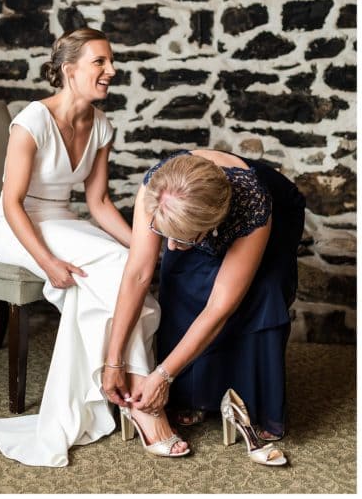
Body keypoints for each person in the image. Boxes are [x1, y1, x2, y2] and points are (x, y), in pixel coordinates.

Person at [0, 27, 188, 467]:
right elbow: (12, 204)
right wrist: (48, 262)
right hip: (19, 228)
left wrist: (146, 247)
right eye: (101, 62)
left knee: (116, 274)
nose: (111, 71)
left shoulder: (102, 126)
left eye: (110, 62)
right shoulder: (31, 121)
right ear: (68, 69)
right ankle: (142, 405)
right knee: (118, 269)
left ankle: (127, 396)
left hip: (64, 222)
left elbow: (99, 203)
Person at [102, 150, 304, 465]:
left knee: (260, 292)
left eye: (180, 239)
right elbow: (138, 274)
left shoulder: (254, 202)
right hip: (188, 205)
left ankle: (252, 401)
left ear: (210, 225)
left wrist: (163, 376)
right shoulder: (156, 191)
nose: (169, 247)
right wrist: (113, 361)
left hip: (271, 213)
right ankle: (197, 395)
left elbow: (220, 306)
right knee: (181, 280)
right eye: (163, 234)